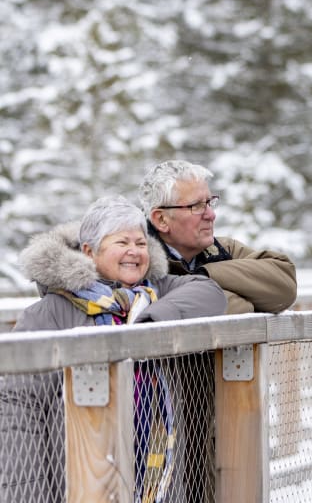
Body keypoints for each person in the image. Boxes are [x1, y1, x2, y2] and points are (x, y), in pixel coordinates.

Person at [1, 195, 228, 503]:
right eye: (122, 242)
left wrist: (147, 324)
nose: (134, 252)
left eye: (141, 243)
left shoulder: (155, 293)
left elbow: (209, 293)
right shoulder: (51, 312)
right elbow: (18, 406)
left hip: (155, 473)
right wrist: (27, 493)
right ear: (88, 251)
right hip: (80, 478)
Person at [138, 160, 297, 315]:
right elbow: (238, 308)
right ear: (161, 219)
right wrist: (239, 296)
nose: (211, 215)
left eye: (209, 202)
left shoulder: (222, 250)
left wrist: (204, 275)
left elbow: (285, 288)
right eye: (197, 206)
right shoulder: (136, 264)